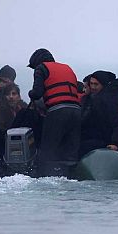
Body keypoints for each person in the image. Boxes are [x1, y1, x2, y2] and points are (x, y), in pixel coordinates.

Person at [27, 48, 81, 177]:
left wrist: (30, 94)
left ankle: (44, 176)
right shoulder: (67, 68)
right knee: (70, 150)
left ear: (37, 62)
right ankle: (71, 176)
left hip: (57, 111)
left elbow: (37, 92)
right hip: (76, 110)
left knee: (48, 149)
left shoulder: (41, 68)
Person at [79, 70, 118, 160]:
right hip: (94, 137)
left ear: (104, 84)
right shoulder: (91, 98)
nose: (93, 87)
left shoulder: (112, 100)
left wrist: (115, 143)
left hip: (107, 141)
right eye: (91, 84)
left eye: (96, 84)